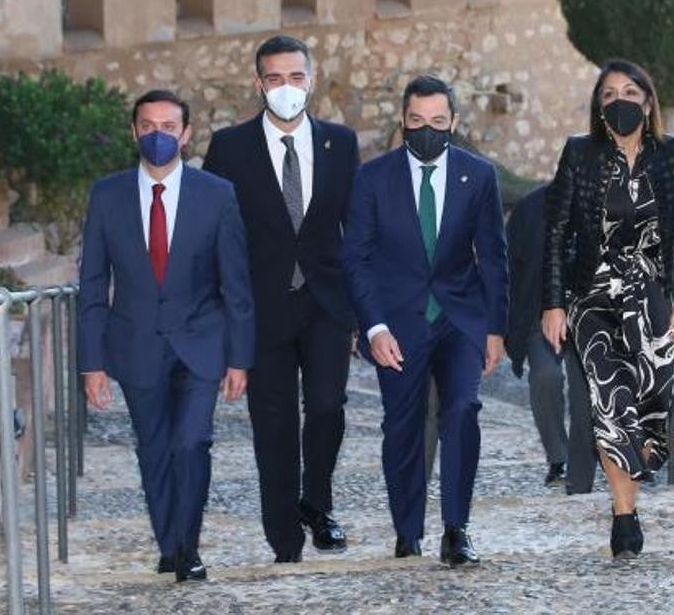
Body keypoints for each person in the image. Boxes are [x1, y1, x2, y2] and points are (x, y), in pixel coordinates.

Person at [78, 90, 255, 582]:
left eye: (169, 126)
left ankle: (188, 548)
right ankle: (170, 541)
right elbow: (92, 282)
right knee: (153, 447)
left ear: (186, 134)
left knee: (191, 443)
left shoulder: (216, 194)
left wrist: (239, 358)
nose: (159, 135)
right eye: (149, 126)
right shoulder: (107, 195)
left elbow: (235, 283)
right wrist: (91, 363)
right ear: (135, 132)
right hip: (134, 344)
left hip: (201, 342)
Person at [202, 35, 359, 563]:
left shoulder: (342, 143)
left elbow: (355, 233)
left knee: (327, 406)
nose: (286, 88)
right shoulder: (229, 148)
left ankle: (316, 502)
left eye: (296, 77)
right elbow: (214, 237)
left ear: (311, 80)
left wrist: (364, 312)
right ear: (258, 85)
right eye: (274, 79)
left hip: (326, 305)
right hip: (260, 310)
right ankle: (284, 538)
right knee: (272, 424)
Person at [343, 75, 509, 567]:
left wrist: (495, 329)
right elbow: (356, 258)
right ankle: (407, 530)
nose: (427, 130)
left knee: (461, 411)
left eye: (438, 121)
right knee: (402, 425)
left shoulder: (478, 176)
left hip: (460, 318)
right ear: (403, 121)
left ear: (454, 123)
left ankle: (457, 529)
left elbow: (494, 258)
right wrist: (373, 328)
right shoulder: (373, 178)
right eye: (417, 121)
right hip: (397, 323)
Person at [541, 60, 674, 559]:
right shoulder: (580, 154)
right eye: (609, 94)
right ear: (598, 106)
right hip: (593, 296)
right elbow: (557, 233)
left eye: (631, 91)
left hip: (653, 297)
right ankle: (623, 515)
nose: (620, 100)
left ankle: (635, 474)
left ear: (648, 102)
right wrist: (553, 303)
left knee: (650, 404)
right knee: (610, 400)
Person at [506, 184, 595, 493]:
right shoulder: (528, 209)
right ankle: (559, 458)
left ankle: (584, 465)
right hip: (538, 315)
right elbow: (510, 267)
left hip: (590, 317)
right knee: (546, 376)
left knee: (585, 391)